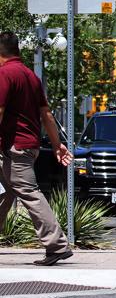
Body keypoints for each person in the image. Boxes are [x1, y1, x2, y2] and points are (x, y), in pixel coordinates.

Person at [0, 31, 73, 265]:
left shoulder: (5, 74)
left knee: (29, 193)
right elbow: (47, 114)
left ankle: (57, 244)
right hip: (28, 145)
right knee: (6, 193)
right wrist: (57, 144)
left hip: (15, 147)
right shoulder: (30, 76)